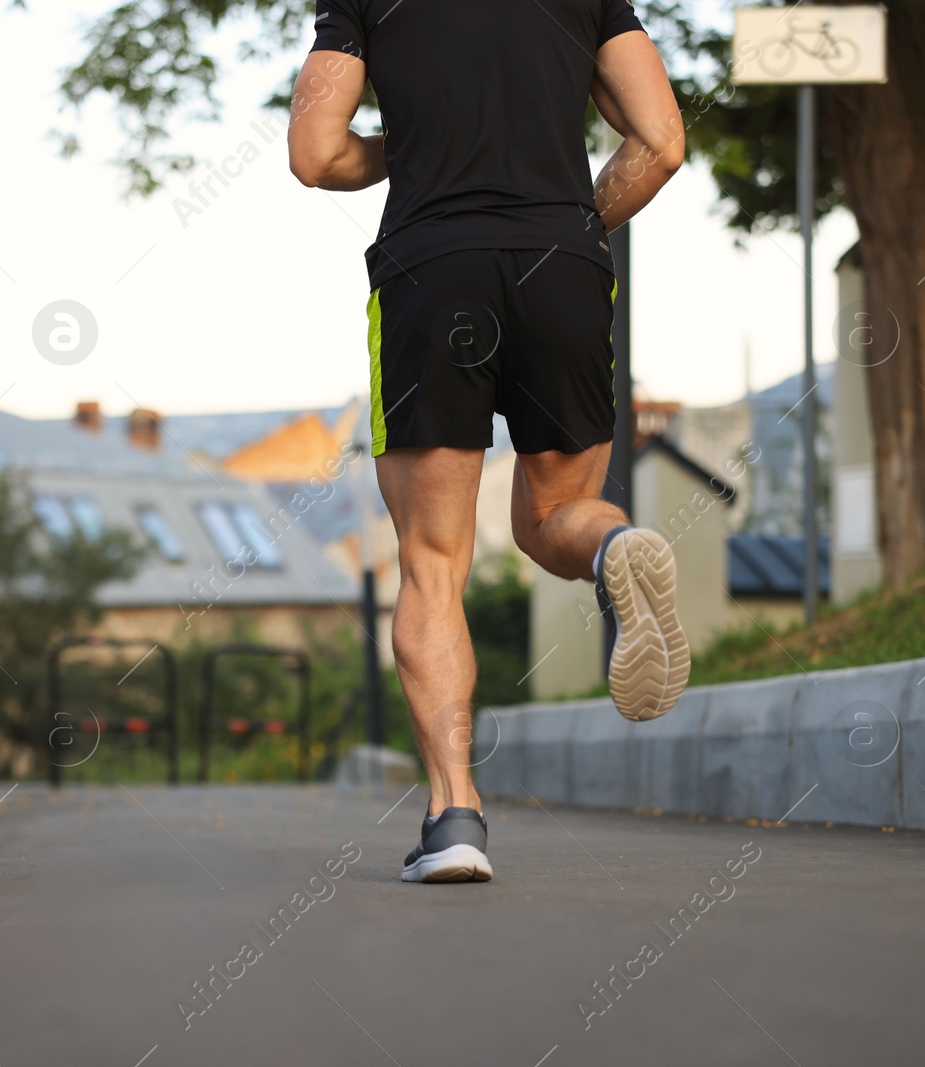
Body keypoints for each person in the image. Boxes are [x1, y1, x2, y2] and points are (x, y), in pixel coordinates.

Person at [288, 0, 687, 883]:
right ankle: (618, 545)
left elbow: (315, 152)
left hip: (433, 268)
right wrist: (570, 225)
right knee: (558, 515)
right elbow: (660, 140)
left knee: (434, 561)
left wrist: (417, 147)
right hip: (564, 265)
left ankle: (455, 817)